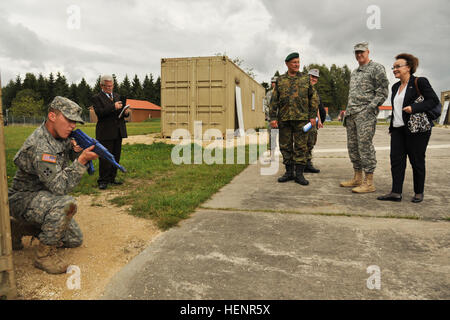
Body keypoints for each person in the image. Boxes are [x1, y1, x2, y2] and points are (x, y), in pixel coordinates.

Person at [8, 96, 98, 274]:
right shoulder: (40, 146)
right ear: (52, 116)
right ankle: (44, 257)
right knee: (66, 204)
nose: (73, 125)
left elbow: (61, 162)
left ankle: (19, 228)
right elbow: (59, 187)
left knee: (74, 239)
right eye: (69, 120)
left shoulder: (60, 136)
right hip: (23, 198)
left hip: (42, 195)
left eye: (75, 122)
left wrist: (74, 152)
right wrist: (81, 161)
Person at [377, 53, 439, 203]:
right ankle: (396, 192)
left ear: (408, 68)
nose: (394, 69)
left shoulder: (420, 82)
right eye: (393, 67)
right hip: (398, 129)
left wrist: (414, 107)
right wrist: (392, 127)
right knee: (396, 161)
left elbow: (433, 100)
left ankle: (419, 192)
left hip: (417, 130)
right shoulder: (395, 87)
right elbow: (395, 109)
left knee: (416, 161)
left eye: (398, 66)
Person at [340, 42, 389, 193]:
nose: (359, 55)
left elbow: (383, 91)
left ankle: (369, 183)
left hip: (365, 115)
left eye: (361, 52)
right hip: (351, 115)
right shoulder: (354, 72)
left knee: (365, 147)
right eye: (356, 52)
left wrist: (370, 108)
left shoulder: (376, 68)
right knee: (353, 147)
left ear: (368, 52)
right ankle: (357, 178)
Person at [269, 52, 319, 185]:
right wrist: (273, 117)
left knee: (301, 146)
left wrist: (312, 116)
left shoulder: (305, 78)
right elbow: (274, 100)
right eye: (294, 63)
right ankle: (289, 172)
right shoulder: (280, 80)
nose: (297, 65)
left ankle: (300, 174)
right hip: (284, 119)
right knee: (285, 146)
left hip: (302, 119)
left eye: (298, 62)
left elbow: (313, 98)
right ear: (287, 64)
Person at [92, 75, 129, 190]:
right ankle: (103, 180)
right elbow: (100, 113)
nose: (110, 88)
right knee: (104, 156)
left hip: (118, 131)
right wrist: (113, 106)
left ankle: (112, 178)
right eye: (107, 86)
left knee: (116, 156)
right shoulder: (96, 98)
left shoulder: (118, 96)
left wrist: (126, 112)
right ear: (101, 86)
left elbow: (121, 113)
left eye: (111, 86)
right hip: (105, 132)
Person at [305, 68, 326, 173]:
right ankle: (299, 165)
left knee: (311, 142)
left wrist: (320, 121)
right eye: (312, 76)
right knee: (302, 143)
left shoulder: (314, 91)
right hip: (305, 121)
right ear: (308, 76)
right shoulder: (303, 89)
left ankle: (307, 163)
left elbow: (316, 106)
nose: (314, 79)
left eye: (316, 77)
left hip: (313, 122)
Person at [263, 76, 278, 156]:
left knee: (285, 139)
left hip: (281, 119)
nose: (274, 84)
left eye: (275, 82)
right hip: (271, 119)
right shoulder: (268, 94)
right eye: (272, 82)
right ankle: (272, 156)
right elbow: (265, 105)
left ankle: (287, 158)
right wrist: (272, 115)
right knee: (272, 138)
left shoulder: (282, 93)